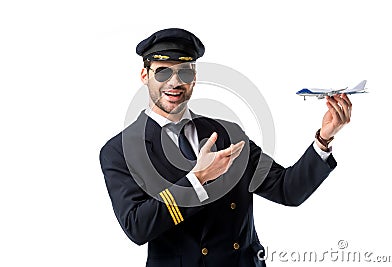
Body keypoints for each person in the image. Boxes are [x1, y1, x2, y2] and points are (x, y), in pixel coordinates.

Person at [99, 28, 352, 267]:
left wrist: (323, 139)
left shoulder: (228, 133)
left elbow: (288, 190)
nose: (174, 82)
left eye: (185, 73)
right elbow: (137, 227)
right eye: (163, 72)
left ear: (194, 78)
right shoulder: (119, 150)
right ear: (145, 76)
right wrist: (197, 179)